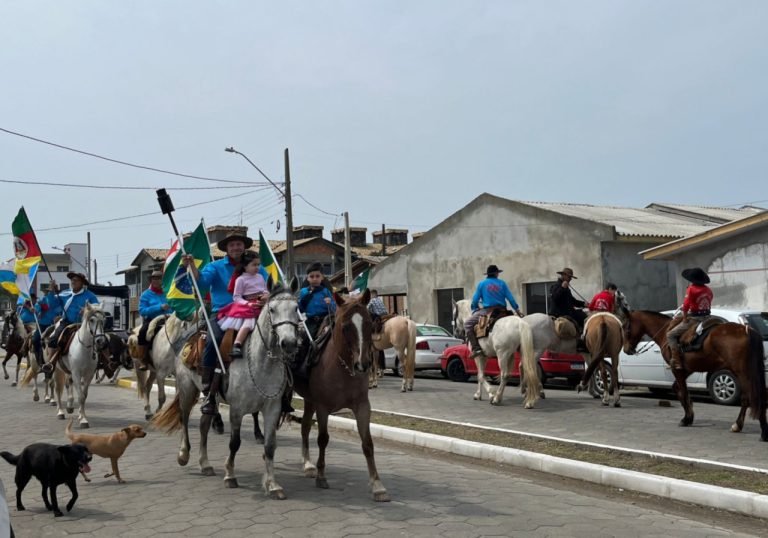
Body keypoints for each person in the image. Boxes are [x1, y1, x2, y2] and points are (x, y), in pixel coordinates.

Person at [182, 231, 268, 415]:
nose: (236, 247)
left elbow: (268, 287)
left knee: (280, 337)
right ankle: (207, 390)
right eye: (232, 245)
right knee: (213, 341)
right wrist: (191, 268)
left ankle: (282, 390)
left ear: (244, 247)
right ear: (227, 249)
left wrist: (266, 297)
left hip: (254, 312)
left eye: (239, 244)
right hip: (223, 314)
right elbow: (202, 283)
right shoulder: (215, 266)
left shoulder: (257, 266)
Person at [42, 272, 100, 373]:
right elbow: (52, 304)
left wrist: (87, 311)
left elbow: (97, 308)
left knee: (100, 338)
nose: (73, 282)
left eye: (76, 280)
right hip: (67, 323)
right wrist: (52, 291)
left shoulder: (90, 296)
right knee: (53, 339)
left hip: (84, 324)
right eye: (72, 280)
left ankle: (107, 361)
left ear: (82, 283)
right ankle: (50, 362)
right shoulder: (65, 293)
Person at [464, 265, 523, 359]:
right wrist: (516, 309)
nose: (498, 274)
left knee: (467, 324)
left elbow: (475, 300)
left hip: (488, 311)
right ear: (496, 273)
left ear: (488, 274)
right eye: (498, 273)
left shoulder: (482, 284)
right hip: (503, 311)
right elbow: (511, 299)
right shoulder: (502, 283)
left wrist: (474, 307)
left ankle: (476, 348)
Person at [217, 251, 268, 359]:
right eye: (254, 265)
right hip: (248, 306)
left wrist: (266, 296)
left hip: (262, 304)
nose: (257, 267)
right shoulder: (240, 279)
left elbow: (265, 290)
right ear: (245, 266)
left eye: (258, 264)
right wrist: (248, 304)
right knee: (249, 323)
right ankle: (237, 345)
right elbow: (236, 297)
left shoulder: (260, 277)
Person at [666, 267, 713, 372]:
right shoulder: (708, 289)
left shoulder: (691, 289)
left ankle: (676, 361)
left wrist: (685, 317)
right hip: (708, 317)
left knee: (670, 335)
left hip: (695, 318)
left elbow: (686, 305)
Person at [135, 270, 174, 370]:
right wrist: (159, 307)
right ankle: (143, 359)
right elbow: (142, 310)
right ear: (151, 280)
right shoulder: (146, 295)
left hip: (169, 319)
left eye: (159, 278)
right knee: (143, 332)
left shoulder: (169, 293)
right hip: (152, 320)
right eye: (154, 279)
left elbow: (174, 305)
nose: (156, 281)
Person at [298, 262, 336, 340]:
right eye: (311, 276)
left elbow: (334, 308)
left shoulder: (326, 291)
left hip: (326, 321)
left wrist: (330, 303)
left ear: (322, 277)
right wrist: (304, 300)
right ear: (307, 278)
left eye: (317, 276)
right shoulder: (303, 292)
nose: (315, 279)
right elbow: (300, 310)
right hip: (311, 322)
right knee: (305, 342)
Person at [32, 288, 63, 368]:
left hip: (55, 325)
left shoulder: (58, 301)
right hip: (42, 324)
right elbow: (37, 309)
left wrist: (59, 316)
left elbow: (61, 311)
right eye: (46, 292)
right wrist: (35, 310)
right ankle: (40, 361)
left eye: (49, 291)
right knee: (35, 340)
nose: (47, 293)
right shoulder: (42, 300)